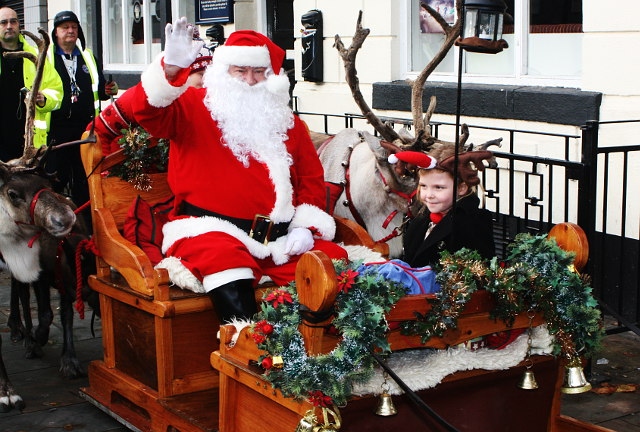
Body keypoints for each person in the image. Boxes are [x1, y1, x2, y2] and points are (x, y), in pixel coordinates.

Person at [131, 19, 348, 324]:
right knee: (223, 258)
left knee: (333, 261)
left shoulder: (288, 122)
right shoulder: (191, 106)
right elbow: (145, 111)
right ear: (223, 72)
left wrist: (306, 228)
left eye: (259, 72)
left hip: (277, 238)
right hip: (209, 229)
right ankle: (249, 348)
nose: (249, 80)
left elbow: (311, 180)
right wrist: (169, 70)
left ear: (271, 76)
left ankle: (317, 349)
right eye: (240, 71)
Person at [46, 10, 118, 208]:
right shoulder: (46, 58)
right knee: (55, 182)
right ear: (56, 32)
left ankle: (86, 228)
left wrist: (110, 89)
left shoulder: (88, 56)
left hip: (86, 130)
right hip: (57, 132)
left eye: (74, 27)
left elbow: (100, 89)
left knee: (84, 182)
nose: (70, 31)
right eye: (65, 27)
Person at [92, 46, 212, 156]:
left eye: (211, 75)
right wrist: (104, 173)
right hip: (127, 173)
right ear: (185, 75)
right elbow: (98, 131)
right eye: (201, 75)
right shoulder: (138, 97)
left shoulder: (210, 105)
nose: (207, 81)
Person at [397, 146, 495, 268]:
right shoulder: (423, 218)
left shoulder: (472, 223)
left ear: (461, 188)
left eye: (438, 187)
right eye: (423, 186)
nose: (429, 195)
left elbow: (477, 272)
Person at [0, 7, 63, 162]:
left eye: (13, 21)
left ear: (19, 25)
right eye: (3, 22)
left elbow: (57, 91)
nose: (9, 26)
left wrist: (44, 99)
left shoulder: (37, 56)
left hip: (29, 145)